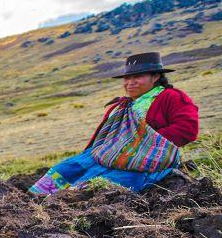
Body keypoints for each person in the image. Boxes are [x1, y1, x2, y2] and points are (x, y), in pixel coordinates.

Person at [30, 52, 199, 195]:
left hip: (147, 161)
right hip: (110, 154)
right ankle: (35, 202)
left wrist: (140, 145)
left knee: (102, 183)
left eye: (137, 76)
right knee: (66, 168)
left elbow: (188, 130)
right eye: (127, 77)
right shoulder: (125, 105)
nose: (130, 82)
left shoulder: (172, 97)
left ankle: (64, 207)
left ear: (155, 76)